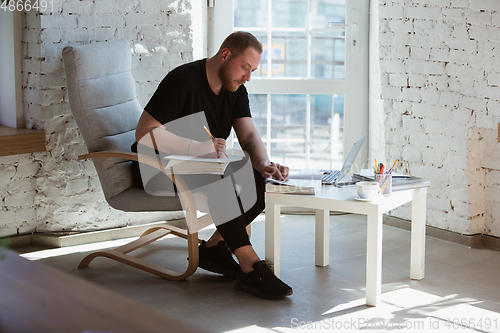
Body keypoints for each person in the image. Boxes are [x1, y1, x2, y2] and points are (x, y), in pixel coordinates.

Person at [131, 31, 293, 299]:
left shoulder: (236, 89)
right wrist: (198, 148)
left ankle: (215, 249)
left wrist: (264, 164)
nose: (248, 77)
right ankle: (251, 267)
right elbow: (144, 132)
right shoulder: (182, 81)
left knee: (256, 178)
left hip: (201, 168)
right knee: (220, 179)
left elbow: (249, 136)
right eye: (245, 67)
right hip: (153, 167)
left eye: (252, 70)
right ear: (225, 54)